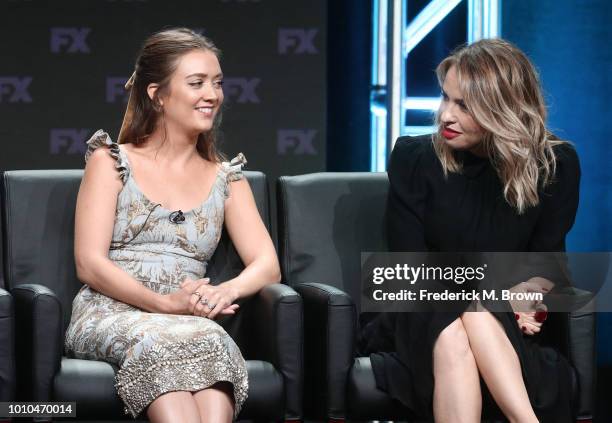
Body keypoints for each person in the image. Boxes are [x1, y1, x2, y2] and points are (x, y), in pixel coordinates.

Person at [64, 28, 281, 423]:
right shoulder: (111, 161)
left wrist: (224, 291)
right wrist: (165, 305)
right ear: (157, 94)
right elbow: (89, 263)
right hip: (111, 311)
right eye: (196, 83)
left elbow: (267, 264)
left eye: (217, 83)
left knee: (212, 343)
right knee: (165, 346)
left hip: (189, 319)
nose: (212, 95)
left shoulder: (226, 178)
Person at [360, 39, 580, 422]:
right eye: (445, 98)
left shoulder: (554, 164)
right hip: (419, 309)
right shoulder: (415, 158)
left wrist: (531, 294)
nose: (445, 115)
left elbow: (547, 262)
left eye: (464, 105)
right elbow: (410, 268)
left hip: (501, 321)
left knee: (474, 318)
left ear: (503, 109)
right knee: (462, 320)